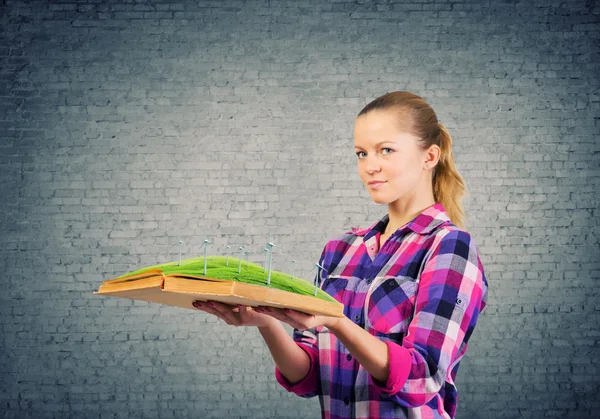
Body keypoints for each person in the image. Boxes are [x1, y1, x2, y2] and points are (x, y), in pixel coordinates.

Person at [192, 91, 489, 419]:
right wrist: (266, 322)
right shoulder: (339, 251)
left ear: (429, 156)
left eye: (385, 150)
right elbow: (309, 378)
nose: (370, 167)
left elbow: (422, 378)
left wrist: (337, 321)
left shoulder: (449, 247)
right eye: (361, 153)